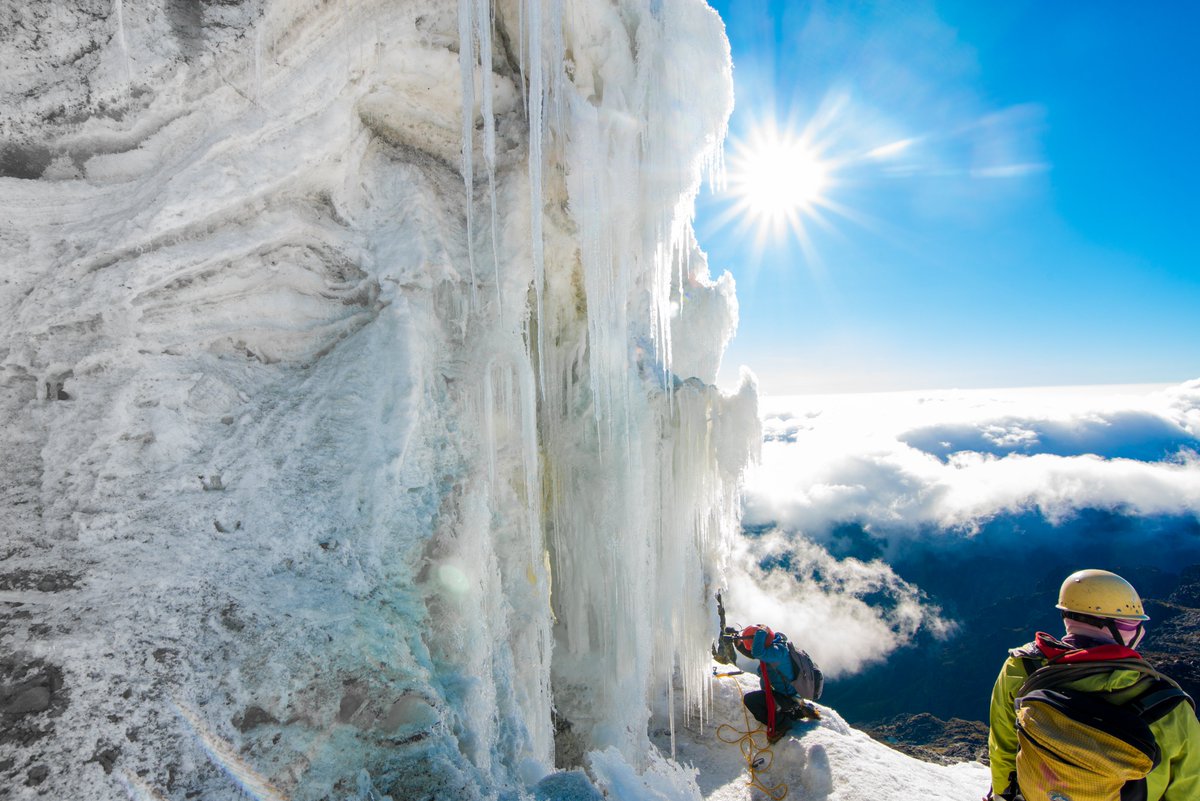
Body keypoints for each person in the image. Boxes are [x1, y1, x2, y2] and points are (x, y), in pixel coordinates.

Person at [987, 568, 1200, 801]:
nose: (1138, 633)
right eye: (1130, 626)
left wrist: (1002, 795)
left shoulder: (1022, 668)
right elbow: (1189, 789)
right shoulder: (1170, 705)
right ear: (1109, 627)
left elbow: (1003, 747)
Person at [732, 623, 819, 743]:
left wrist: (760, 632)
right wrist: (738, 641)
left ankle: (782, 724)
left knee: (751, 700)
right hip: (791, 694)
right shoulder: (776, 646)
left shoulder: (777, 653)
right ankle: (798, 709)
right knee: (767, 698)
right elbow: (755, 652)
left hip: (788, 697)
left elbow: (757, 653)